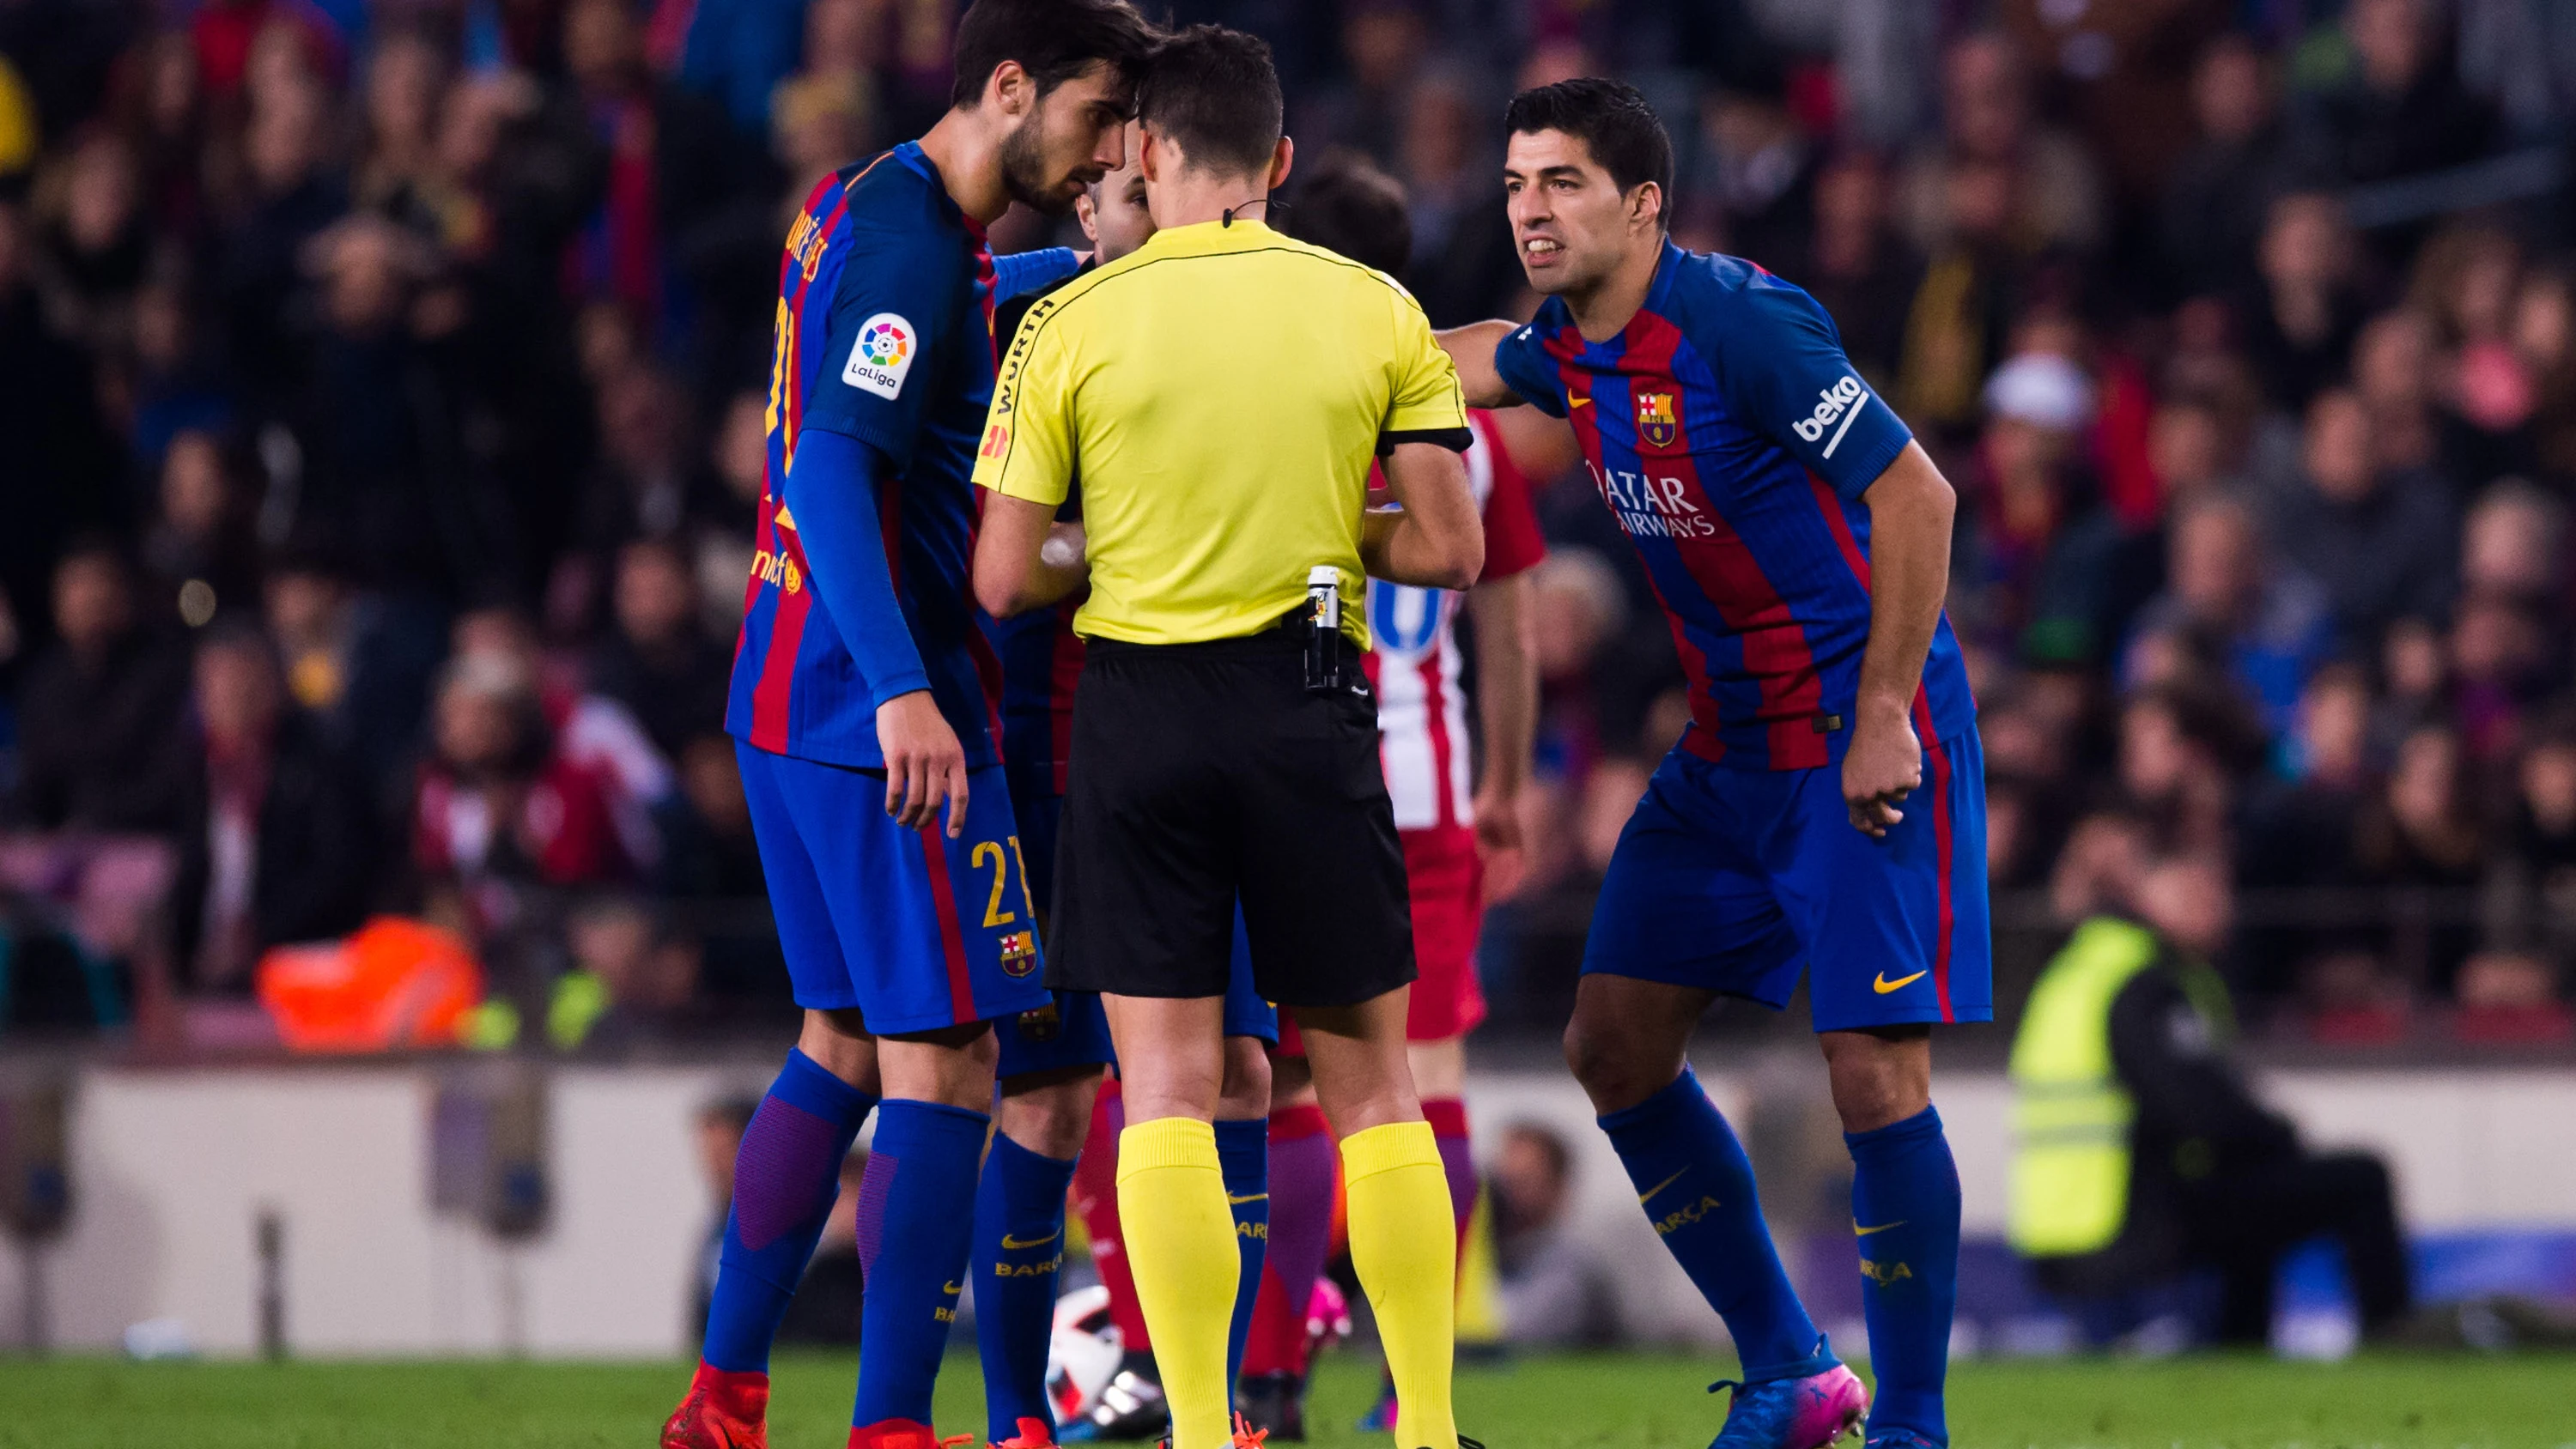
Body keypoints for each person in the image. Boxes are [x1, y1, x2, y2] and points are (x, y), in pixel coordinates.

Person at [1438, 80, 1985, 1449]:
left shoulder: (1742, 323)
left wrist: (1883, 712)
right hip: (1730, 747)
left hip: (1857, 734)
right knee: (1610, 1046)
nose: (1530, 210)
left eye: (1561, 182)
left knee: (1873, 1076)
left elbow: (1918, 493)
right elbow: (1451, 357)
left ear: (1643, 203)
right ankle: (1792, 1369)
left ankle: (1910, 1427)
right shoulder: (1568, 347)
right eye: (1514, 185)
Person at [972, 27, 1485, 1449]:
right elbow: (1453, 545)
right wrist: (1332, 528)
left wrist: (1118, 548)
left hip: (1138, 713)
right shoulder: (1374, 307)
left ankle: (1202, 1426)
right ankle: (1427, 1425)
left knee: (1169, 1088)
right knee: (1375, 1084)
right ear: (1281, 161)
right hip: (1310, 701)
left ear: (1144, 152)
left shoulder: (1068, 325)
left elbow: (1005, 578)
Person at [660, 5, 1158, 1449]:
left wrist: (1089, 259)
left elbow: (963, 318)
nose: (1105, 150)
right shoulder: (909, 245)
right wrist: (902, 689)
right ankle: (894, 1426)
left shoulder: (874, 202)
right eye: (1093, 114)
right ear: (1012, 86)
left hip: (782, 689)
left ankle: (728, 1392)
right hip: (871, 706)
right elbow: (829, 469)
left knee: (838, 1045)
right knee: (949, 1066)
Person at [978, 125, 1282, 1449]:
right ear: (1083, 213)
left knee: (1243, 1073)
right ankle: (1020, 1415)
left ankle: (1218, 1394)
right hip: (1056, 767)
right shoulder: (1027, 320)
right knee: (1050, 1096)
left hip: (1216, 752)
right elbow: (989, 556)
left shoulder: (1238, 319)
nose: (1151, 213)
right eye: (1123, 195)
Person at [1237, 151, 1547, 1440]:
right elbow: (1512, 622)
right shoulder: (1456, 424)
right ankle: (1417, 1392)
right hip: (1438, 787)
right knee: (1433, 1077)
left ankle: (1271, 1377)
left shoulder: (1290, 395)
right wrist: (1509, 787)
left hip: (1316, 768)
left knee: (1301, 1085)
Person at [2010, 854, 2413, 1345]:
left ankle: (2242, 1347)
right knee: (2359, 1179)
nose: (2216, 910)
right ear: (2148, 899)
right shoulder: (2145, 979)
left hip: (2064, 1223)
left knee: (2250, 1196)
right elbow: (2198, 1110)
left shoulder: (2086, 966)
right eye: (2195, 896)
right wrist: (2278, 1135)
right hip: (2128, 1222)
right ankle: (2393, 1336)